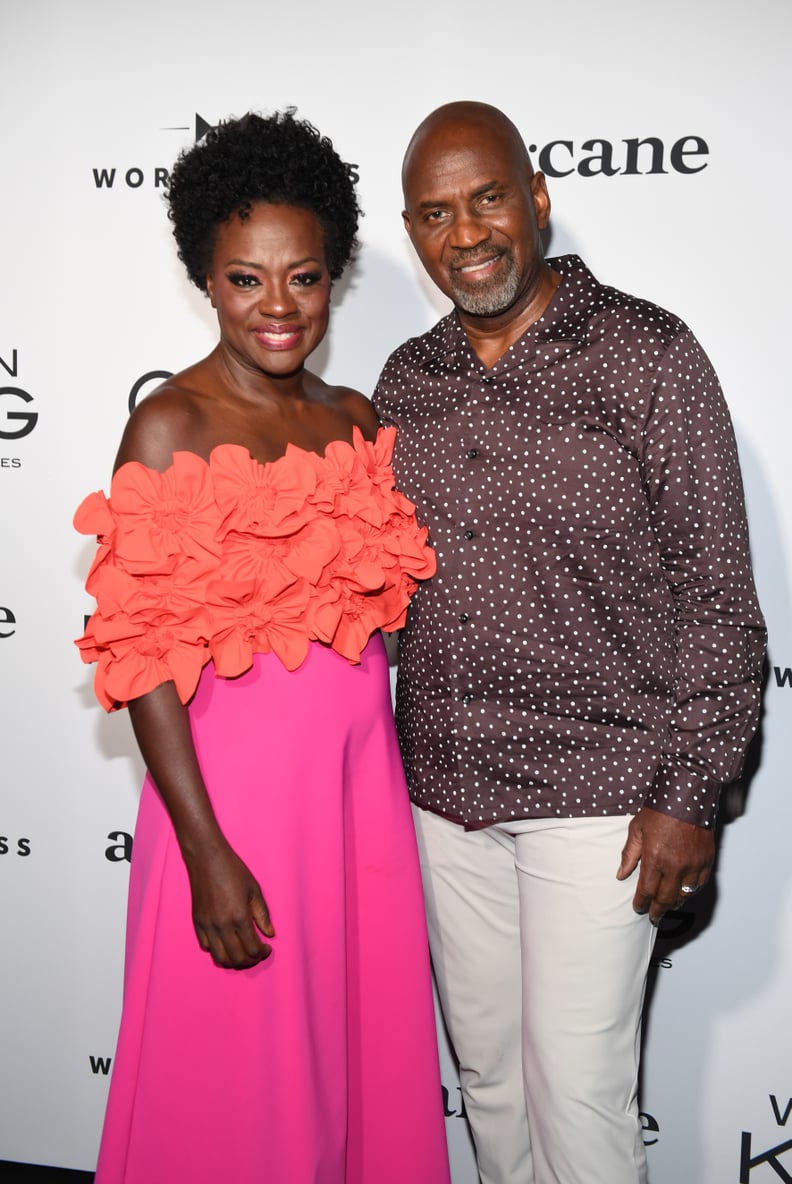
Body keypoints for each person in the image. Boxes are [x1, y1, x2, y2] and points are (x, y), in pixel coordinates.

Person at [373, 100, 766, 1184]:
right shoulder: (406, 382)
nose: (468, 232)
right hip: (446, 793)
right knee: (491, 1083)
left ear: (538, 200)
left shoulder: (648, 353)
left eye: (489, 196)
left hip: (605, 799)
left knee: (579, 1092)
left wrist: (691, 790)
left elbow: (719, 593)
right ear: (414, 234)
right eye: (437, 212)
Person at [75, 110, 450, 1184]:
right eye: (247, 279)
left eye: (305, 277)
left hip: (355, 792)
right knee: (239, 1074)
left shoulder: (353, 418)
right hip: (232, 807)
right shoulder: (169, 427)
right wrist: (205, 851)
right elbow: (141, 658)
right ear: (205, 276)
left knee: (352, 1063)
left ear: (334, 276)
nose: (279, 307)